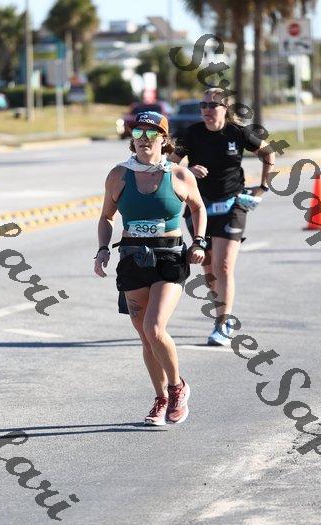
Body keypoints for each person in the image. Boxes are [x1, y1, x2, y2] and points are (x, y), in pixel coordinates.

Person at [94, 111, 207, 426]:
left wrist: (199, 242)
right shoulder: (119, 175)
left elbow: (198, 207)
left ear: (163, 139)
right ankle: (160, 399)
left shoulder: (180, 175)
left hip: (169, 258)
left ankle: (177, 387)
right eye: (138, 133)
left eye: (151, 133)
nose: (144, 139)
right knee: (146, 338)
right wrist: (102, 249)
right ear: (131, 140)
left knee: (154, 328)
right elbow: (106, 217)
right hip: (132, 258)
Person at [170, 88, 276, 346]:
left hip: (232, 205)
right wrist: (188, 170)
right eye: (203, 105)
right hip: (199, 207)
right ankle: (221, 310)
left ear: (225, 109)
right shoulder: (192, 134)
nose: (207, 109)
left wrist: (263, 187)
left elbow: (268, 153)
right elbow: (169, 166)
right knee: (209, 270)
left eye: (213, 105)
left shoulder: (238, 133)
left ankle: (223, 323)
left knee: (223, 266)